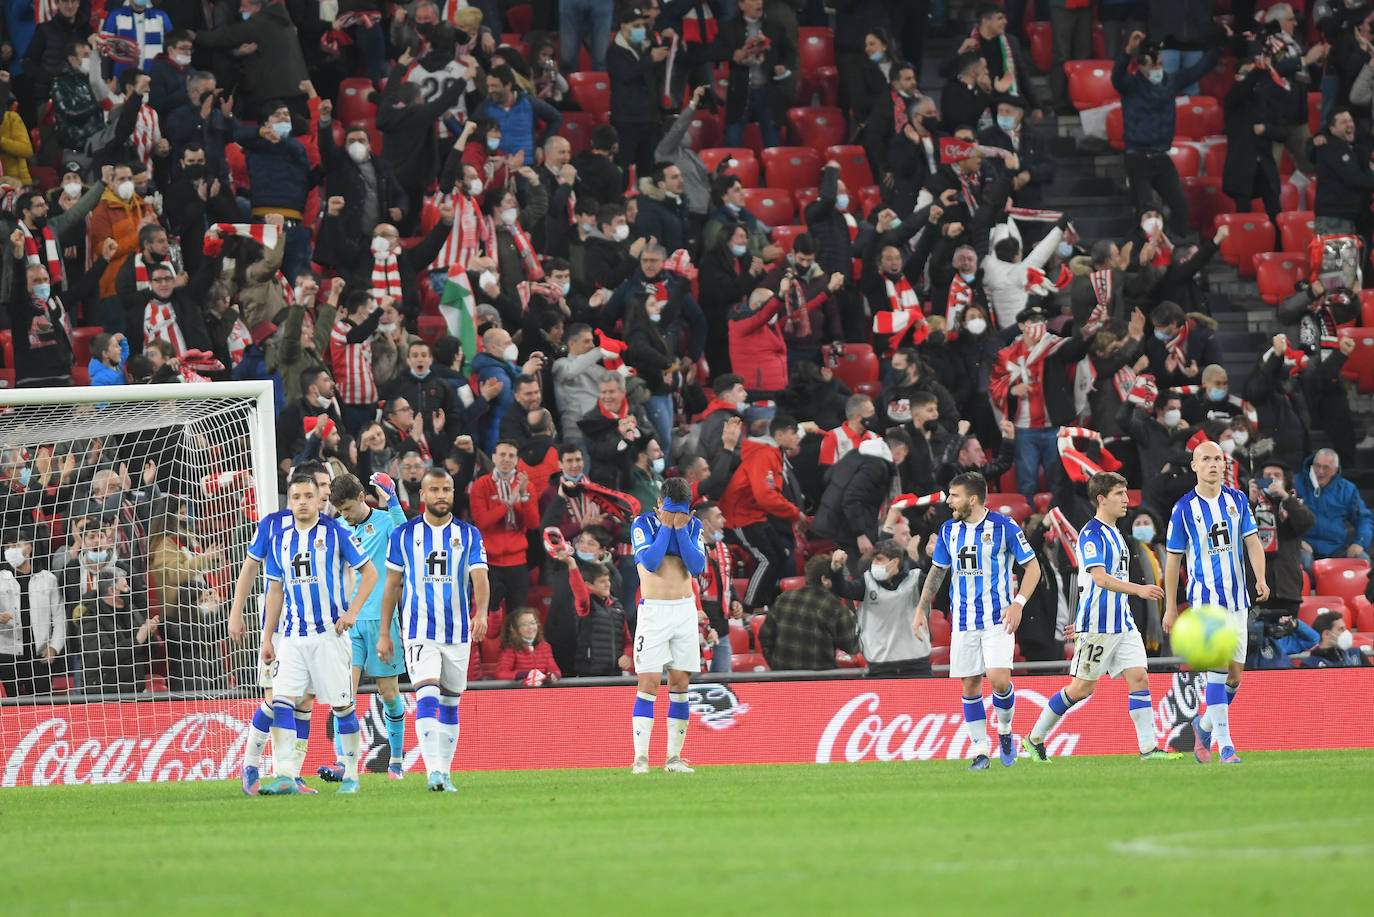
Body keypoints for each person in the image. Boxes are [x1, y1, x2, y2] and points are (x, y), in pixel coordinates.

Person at [1022, 473, 1182, 761]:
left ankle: (1148, 749)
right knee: (1081, 688)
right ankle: (1035, 738)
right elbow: (1099, 578)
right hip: (1099, 623)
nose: (1126, 499)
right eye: (1119, 493)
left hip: (1122, 621)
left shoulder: (1116, 533)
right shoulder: (1091, 534)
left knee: (1139, 677)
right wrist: (1138, 590)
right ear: (1101, 499)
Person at [257, 472, 378, 796]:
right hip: (293, 637)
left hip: (329, 636)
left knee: (342, 708)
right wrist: (268, 637)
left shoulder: (336, 532)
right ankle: (285, 774)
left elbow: (370, 572)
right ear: (289, 500)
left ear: (319, 499)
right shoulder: (280, 538)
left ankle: (351, 774)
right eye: (295, 497)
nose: (301, 502)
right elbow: (275, 591)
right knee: (281, 701)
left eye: (307, 496)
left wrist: (352, 612)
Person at [913, 471, 1042, 770]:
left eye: (954, 495)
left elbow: (1032, 569)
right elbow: (937, 572)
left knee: (999, 680)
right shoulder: (948, 530)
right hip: (964, 620)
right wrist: (921, 607)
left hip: (998, 618)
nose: (948, 501)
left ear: (972, 499)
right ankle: (981, 751)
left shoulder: (1004, 526)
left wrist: (1018, 604)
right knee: (970, 685)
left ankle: (1006, 731)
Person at [377, 467, 488, 791]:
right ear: (422, 495)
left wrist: (480, 614)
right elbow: (392, 585)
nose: (442, 495)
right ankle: (433, 771)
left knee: (451, 703)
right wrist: (385, 632)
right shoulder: (404, 535)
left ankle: (445, 772)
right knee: (427, 695)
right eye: (435, 490)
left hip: (457, 634)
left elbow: (480, 578)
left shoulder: (469, 534)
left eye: (447, 490)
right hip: (419, 631)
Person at [227, 461, 331, 796]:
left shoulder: (328, 527)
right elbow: (249, 569)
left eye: (325, 487)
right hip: (279, 626)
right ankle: (252, 763)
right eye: (320, 485)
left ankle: (292, 774)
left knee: (305, 703)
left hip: (316, 629)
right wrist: (236, 612)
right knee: (276, 699)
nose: (323, 492)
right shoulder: (272, 525)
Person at [1163, 441, 1269, 766]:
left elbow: (1253, 543)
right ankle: (1226, 747)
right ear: (1194, 466)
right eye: (1205, 459)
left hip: (1238, 601)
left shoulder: (1237, 500)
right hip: (1205, 602)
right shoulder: (1183, 508)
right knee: (1218, 670)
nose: (1213, 464)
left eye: (1217, 459)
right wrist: (1170, 606)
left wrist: (1260, 579)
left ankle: (1204, 725)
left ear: (1225, 465)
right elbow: (1172, 562)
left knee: (1234, 677)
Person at [316, 473, 410, 783]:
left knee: (389, 693)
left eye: (346, 509)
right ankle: (344, 762)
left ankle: (395, 760)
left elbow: (406, 534)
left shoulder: (384, 521)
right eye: (339, 510)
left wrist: (393, 499)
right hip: (347, 623)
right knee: (344, 693)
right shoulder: (338, 528)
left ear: (360, 497)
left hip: (381, 620)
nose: (343, 515)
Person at [1113, 28, 1227, 235]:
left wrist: (1220, 47)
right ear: (1141, 67)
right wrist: (1127, 52)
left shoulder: (1170, 81)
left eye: (1160, 64)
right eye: (1154, 65)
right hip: (1137, 158)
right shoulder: (1130, 85)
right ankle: (1143, 255)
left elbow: (1199, 69)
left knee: (1181, 206)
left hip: (1162, 156)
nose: (1158, 69)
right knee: (1147, 209)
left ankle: (1181, 249)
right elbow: (1116, 77)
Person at [628, 476, 707, 774]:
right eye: (669, 510)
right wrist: (665, 526)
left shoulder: (693, 526)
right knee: (648, 685)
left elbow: (697, 567)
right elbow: (649, 561)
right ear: (659, 503)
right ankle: (641, 758)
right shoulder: (642, 524)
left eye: (681, 511)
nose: (675, 516)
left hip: (684, 611)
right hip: (654, 613)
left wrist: (681, 529)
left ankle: (673, 758)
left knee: (680, 685)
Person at [720, 414, 805, 613]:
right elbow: (765, 496)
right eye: (794, 433)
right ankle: (750, 608)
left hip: (756, 516)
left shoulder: (774, 454)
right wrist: (796, 514)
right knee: (767, 559)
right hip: (739, 518)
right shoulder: (765, 454)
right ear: (780, 434)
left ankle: (762, 604)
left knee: (779, 556)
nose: (797, 438)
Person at [829, 540, 931, 677]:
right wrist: (836, 570)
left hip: (917, 663)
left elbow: (939, 584)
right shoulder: (866, 583)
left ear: (895, 562)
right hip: (881, 665)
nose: (874, 564)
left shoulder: (916, 580)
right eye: (874, 560)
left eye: (879, 560)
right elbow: (842, 589)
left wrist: (934, 561)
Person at [469, 441, 541, 615]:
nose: (506, 459)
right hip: (490, 562)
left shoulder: (526, 486)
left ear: (517, 460)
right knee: (488, 614)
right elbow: (482, 522)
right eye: (502, 454)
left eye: (511, 456)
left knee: (517, 616)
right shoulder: (481, 484)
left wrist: (523, 498)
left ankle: (514, 643)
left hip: (518, 562)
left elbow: (533, 524)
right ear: (493, 457)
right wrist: (508, 504)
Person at [758, 554, 859, 670]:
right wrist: (852, 620)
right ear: (824, 580)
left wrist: (776, 666)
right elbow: (851, 647)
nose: (841, 583)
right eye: (837, 578)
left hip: (782, 678)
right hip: (821, 681)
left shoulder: (783, 598)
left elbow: (765, 637)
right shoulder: (835, 606)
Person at [0, 532, 65, 697]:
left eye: (15, 545)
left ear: (28, 548)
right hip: (7, 655)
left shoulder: (47, 579)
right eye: (7, 547)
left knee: (42, 705)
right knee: (11, 707)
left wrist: (54, 647)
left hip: (39, 655)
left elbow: (59, 616)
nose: (10, 550)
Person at [1295, 449, 1373, 578]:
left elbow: (1363, 518)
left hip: (1336, 547)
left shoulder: (1347, 489)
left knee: (1362, 560)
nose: (1320, 471)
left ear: (1335, 470)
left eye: (1326, 468)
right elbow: (1283, 517)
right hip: (1305, 545)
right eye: (1317, 466)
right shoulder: (1296, 483)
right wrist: (1297, 541)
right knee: (1303, 561)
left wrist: (1359, 543)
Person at [495, 606, 561, 683]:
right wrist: (528, 674)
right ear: (513, 628)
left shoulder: (545, 647)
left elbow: (555, 670)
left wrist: (554, 675)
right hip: (520, 692)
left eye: (533, 623)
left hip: (542, 692)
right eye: (525, 624)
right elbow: (500, 674)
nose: (531, 627)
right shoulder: (510, 648)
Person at [1304, 611, 1370, 668]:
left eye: (1345, 628)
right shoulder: (1310, 664)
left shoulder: (1357, 654)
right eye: (1341, 629)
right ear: (1326, 634)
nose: (1346, 632)